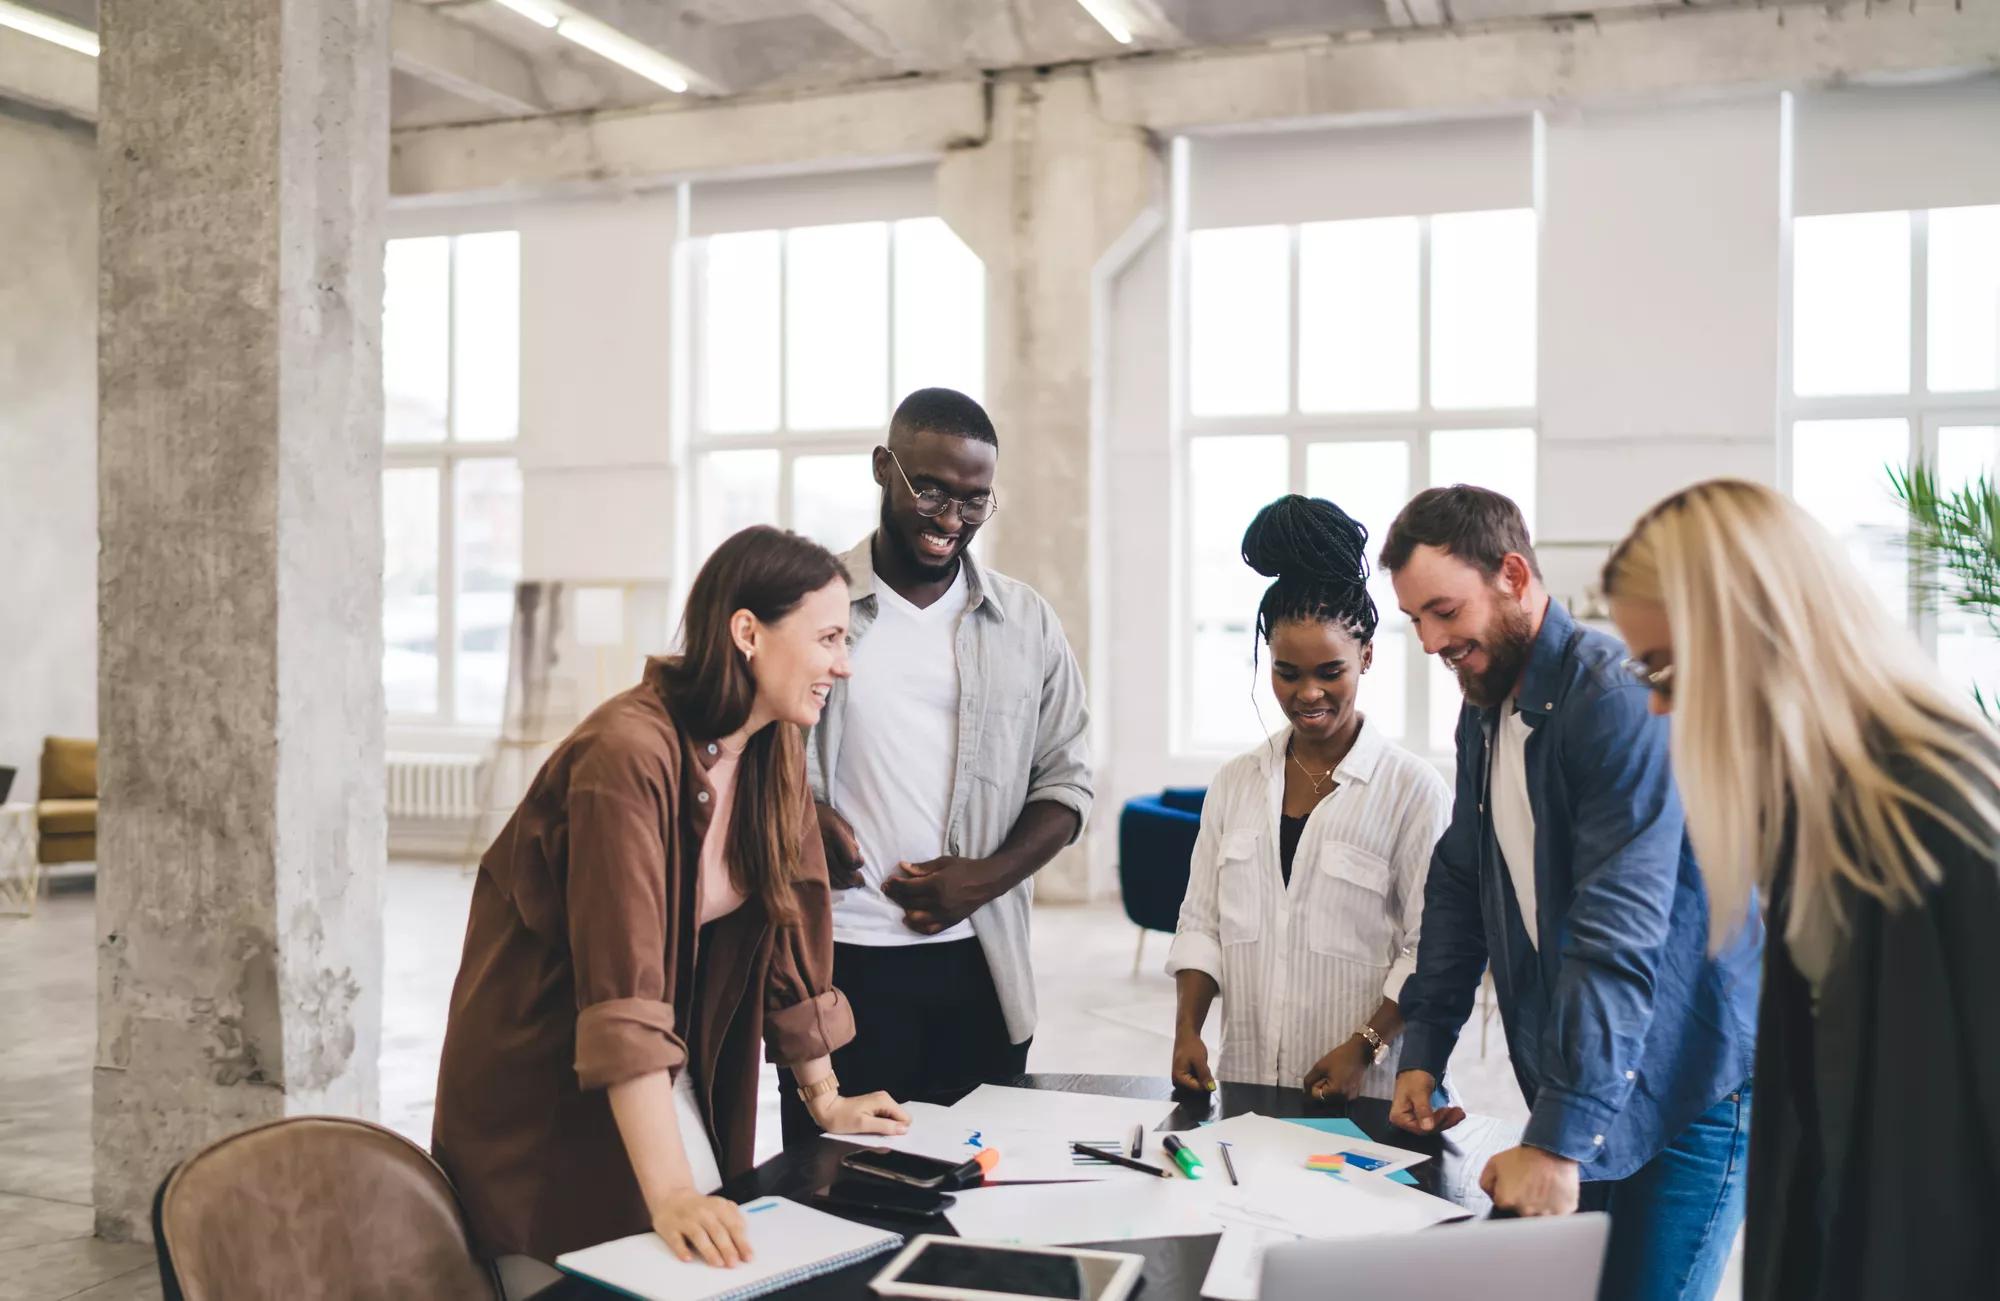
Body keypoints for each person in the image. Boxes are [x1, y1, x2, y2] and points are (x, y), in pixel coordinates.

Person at [432, 526, 909, 1276]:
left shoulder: (770, 741)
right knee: (570, 1269)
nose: (842, 665)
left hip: (657, 1057)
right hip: (549, 1079)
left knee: (704, 1261)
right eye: (827, 639)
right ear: (748, 631)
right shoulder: (626, 756)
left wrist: (825, 1098)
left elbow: (787, 921)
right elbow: (621, 996)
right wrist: (674, 1194)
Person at [1601, 478, 2000, 1301]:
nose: (1657, 701)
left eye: (1666, 668)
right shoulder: (1821, 818)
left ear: (1753, 637)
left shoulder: (1935, 813)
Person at [1379, 485, 1761, 1301]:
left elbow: (1615, 932)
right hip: (1593, 1070)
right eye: (1416, 620)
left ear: (1514, 574)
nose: (1431, 640)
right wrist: (1426, 1044)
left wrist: (1554, 1142)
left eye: (1444, 611)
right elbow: (1461, 878)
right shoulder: (1485, 703)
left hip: (1689, 1080)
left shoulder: (1614, 701)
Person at [779, 387, 1093, 1147]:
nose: (951, 520)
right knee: (835, 1197)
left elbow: (1068, 782)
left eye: (975, 501)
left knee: (978, 1198)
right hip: (840, 962)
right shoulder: (808, 604)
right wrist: (796, 819)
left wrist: (982, 877)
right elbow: (740, 749)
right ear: (884, 468)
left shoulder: (1026, 622)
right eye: (932, 492)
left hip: (979, 971)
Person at [1167, 496, 1450, 1101]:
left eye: (1330, 671)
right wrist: (1187, 1029)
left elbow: (1432, 949)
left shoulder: (1411, 791)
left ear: (1366, 657)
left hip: (1362, 1094)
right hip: (1247, 1085)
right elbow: (1201, 922)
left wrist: (1364, 1048)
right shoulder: (1237, 783)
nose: (1309, 693)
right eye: (1287, 673)